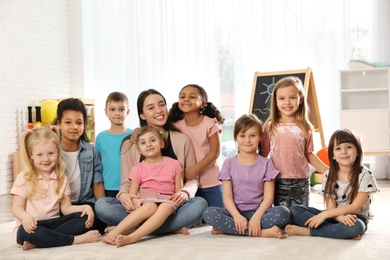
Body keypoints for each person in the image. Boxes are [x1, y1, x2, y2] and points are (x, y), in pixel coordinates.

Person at [95, 89, 207, 235]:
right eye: (151, 107)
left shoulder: (182, 140)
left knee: (200, 204)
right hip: (142, 204)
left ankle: (134, 228)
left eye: (162, 105)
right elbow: (126, 182)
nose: (158, 110)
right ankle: (168, 229)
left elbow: (193, 179)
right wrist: (124, 195)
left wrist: (185, 192)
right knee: (102, 205)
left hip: (170, 205)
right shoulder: (130, 143)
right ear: (141, 114)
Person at [10, 126, 100, 251]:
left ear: (58, 152)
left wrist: (85, 207)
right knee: (23, 232)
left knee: (84, 218)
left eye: (51, 153)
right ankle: (74, 240)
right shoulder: (24, 177)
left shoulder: (61, 178)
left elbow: (66, 208)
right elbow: (16, 208)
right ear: (31, 155)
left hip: (55, 224)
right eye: (40, 155)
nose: (46, 159)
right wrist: (25, 217)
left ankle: (42, 242)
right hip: (32, 227)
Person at [202, 114, 290, 239]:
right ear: (236, 138)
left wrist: (257, 217)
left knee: (283, 213)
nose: (247, 140)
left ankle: (229, 229)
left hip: (260, 213)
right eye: (242, 136)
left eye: (252, 135)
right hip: (235, 213)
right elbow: (227, 196)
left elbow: (268, 197)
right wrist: (237, 216)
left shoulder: (267, 163)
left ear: (260, 137)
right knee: (208, 213)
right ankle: (262, 233)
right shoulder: (228, 163)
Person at [286, 128, 379, 239]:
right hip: (334, 215)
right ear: (333, 155)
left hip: (355, 217)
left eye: (349, 147)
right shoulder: (328, 175)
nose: (344, 152)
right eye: (338, 148)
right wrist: (339, 218)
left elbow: (356, 207)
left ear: (358, 151)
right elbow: (331, 207)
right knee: (295, 210)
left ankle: (309, 231)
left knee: (357, 227)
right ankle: (337, 231)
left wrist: (324, 215)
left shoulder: (365, 174)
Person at [103, 126, 184, 247]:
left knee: (166, 207)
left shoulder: (174, 164)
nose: (148, 144)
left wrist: (178, 198)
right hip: (146, 199)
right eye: (143, 142)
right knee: (150, 206)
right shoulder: (137, 169)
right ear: (139, 149)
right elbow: (132, 194)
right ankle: (116, 232)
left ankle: (132, 236)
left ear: (162, 143)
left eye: (153, 140)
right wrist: (135, 201)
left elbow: (179, 191)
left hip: (167, 200)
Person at [261, 76, 329, 208]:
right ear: (275, 101)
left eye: (292, 97)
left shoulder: (305, 127)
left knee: (300, 216)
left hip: (301, 181)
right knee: (282, 216)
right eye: (282, 98)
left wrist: (327, 170)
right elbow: (264, 154)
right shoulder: (270, 127)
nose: (287, 102)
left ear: (300, 99)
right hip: (277, 180)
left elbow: (309, 154)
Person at [169, 84, 224, 208]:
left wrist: (194, 170)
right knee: (194, 218)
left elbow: (214, 153)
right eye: (182, 96)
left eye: (192, 96)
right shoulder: (176, 126)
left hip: (211, 181)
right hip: (188, 184)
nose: (186, 99)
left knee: (218, 214)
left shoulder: (210, 123)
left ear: (204, 104)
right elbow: (158, 133)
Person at [56, 98, 106, 233]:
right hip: (59, 206)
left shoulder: (90, 151)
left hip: (84, 204)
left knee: (93, 219)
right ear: (59, 123)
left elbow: (97, 183)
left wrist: (103, 209)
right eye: (68, 122)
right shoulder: (52, 151)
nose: (74, 127)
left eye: (79, 122)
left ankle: (50, 234)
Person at [95, 92, 133, 198]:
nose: (117, 113)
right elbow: (97, 163)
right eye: (112, 109)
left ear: (128, 112)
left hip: (131, 186)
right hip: (108, 187)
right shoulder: (101, 137)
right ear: (106, 112)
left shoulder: (134, 135)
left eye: (121, 109)